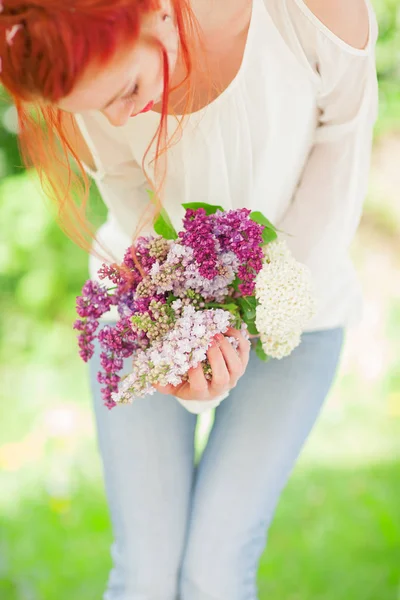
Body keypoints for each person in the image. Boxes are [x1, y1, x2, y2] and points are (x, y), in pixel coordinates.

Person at [0, 0, 379, 598]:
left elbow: (341, 162)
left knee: (215, 568)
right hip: (148, 315)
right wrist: (182, 346)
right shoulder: (81, 73)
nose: (125, 115)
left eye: (127, 87)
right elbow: (135, 208)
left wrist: (248, 321)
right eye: (103, 107)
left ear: (152, 10)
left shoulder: (311, 13)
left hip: (302, 315)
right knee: (146, 573)